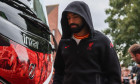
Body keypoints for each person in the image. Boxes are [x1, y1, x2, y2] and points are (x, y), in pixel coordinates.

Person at [53, 1, 121, 84]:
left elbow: (114, 74)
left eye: (75, 17)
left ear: (84, 17)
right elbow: (59, 71)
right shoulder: (64, 42)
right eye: (68, 18)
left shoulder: (102, 41)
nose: (71, 21)